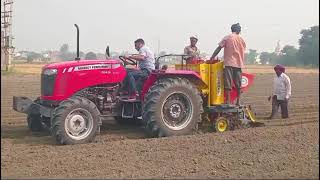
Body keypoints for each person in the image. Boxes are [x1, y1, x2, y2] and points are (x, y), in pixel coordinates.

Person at [208, 23, 246, 105]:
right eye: (240, 29)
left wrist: (212, 58)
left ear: (232, 29)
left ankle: (228, 101)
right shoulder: (242, 40)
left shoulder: (227, 37)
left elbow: (219, 48)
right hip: (239, 64)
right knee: (238, 84)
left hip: (229, 63)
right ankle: (238, 102)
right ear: (238, 30)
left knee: (228, 83)